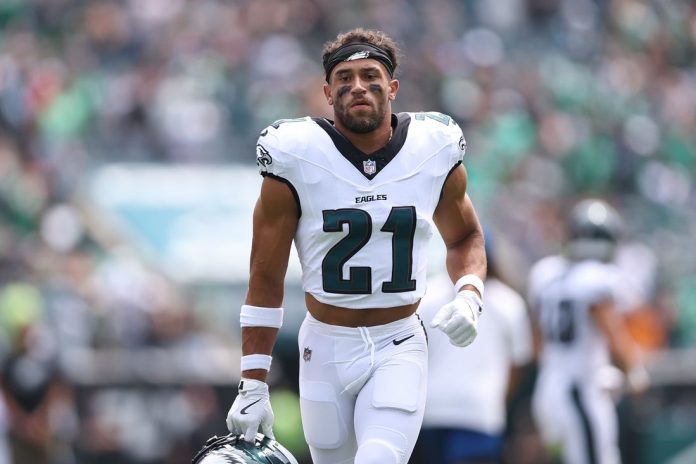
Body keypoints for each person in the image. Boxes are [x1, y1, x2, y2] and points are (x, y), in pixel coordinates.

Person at [226, 28, 487, 464]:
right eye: (344, 78)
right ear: (328, 93)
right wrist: (252, 382)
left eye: (370, 75)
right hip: (324, 346)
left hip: (397, 341)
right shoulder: (295, 154)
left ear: (393, 87)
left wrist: (470, 295)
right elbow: (265, 277)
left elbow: (465, 237)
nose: (358, 86)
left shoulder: (432, 147)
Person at [527, 198, 650, 464]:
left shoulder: (545, 273)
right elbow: (611, 328)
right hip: (579, 391)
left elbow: (537, 342)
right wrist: (634, 372)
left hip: (547, 389)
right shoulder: (596, 278)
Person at [412, 233, 534, 464]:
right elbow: (518, 363)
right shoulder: (509, 302)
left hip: (431, 410)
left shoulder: (427, 294)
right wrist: (499, 398)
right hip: (480, 412)